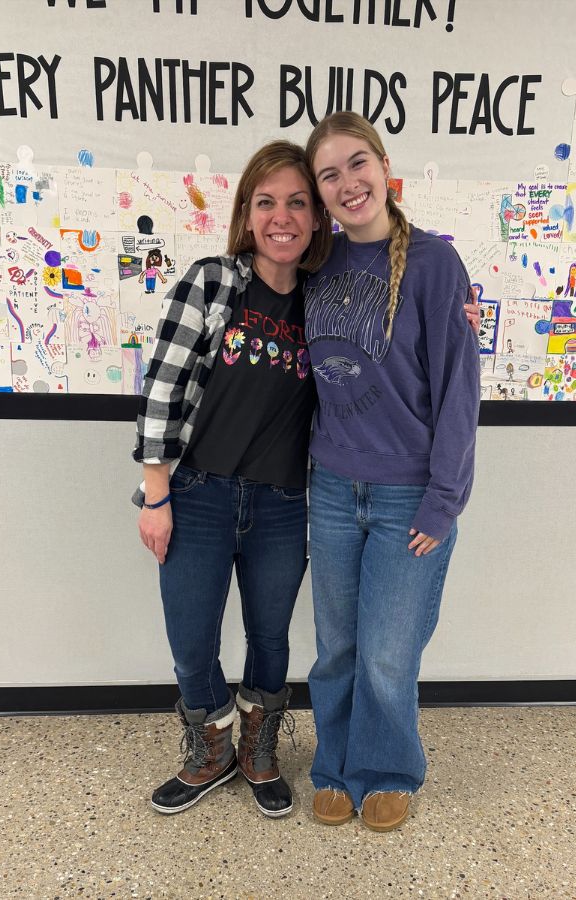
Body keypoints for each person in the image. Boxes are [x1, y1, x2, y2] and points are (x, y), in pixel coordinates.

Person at [132, 140, 331, 818]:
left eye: (298, 202)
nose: (282, 216)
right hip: (198, 496)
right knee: (190, 637)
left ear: (316, 217)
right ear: (247, 212)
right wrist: (155, 496)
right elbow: (161, 386)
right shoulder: (212, 281)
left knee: (270, 637)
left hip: (282, 505)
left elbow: (384, 361)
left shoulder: (323, 303)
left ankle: (259, 749)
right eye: (267, 201)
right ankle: (210, 746)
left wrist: (456, 323)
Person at [304, 112, 480, 832]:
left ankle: (389, 769)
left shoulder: (437, 265)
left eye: (357, 163)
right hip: (331, 491)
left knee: (385, 650)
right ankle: (334, 766)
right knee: (337, 647)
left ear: (384, 166)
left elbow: (460, 389)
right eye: (329, 174)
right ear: (319, 193)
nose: (348, 183)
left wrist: (444, 501)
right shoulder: (316, 266)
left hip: (411, 492)